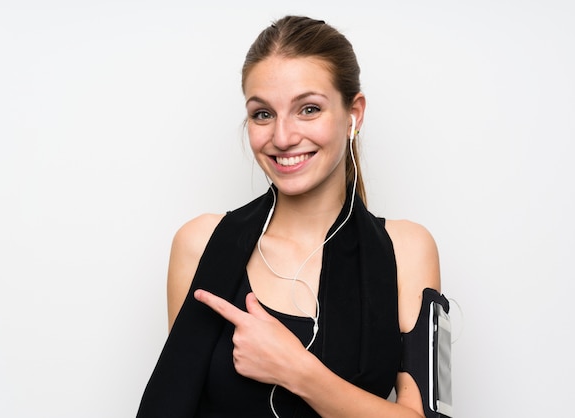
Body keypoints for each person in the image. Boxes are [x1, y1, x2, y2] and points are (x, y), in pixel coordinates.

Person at [137, 15, 443, 418]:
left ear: (354, 114)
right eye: (263, 114)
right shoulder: (201, 244)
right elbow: (175, 403)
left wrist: (297, 371)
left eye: (309, 109)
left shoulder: (407, 249)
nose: (282, 137)